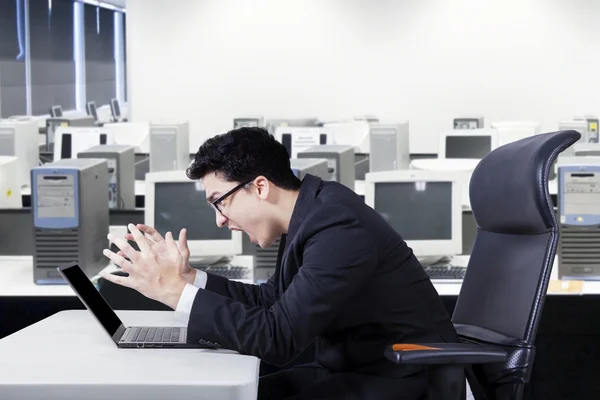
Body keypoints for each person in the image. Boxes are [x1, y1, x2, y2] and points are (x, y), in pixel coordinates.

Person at [101, 127, 458, 399]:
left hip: (402, 381)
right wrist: (190, 279)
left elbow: (279, 338)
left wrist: (174, 292)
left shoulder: (337, 226)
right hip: (355, 369)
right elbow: (272, 301)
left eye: (219, 202)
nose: (220, 220)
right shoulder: (311, 213)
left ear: (259, 187)